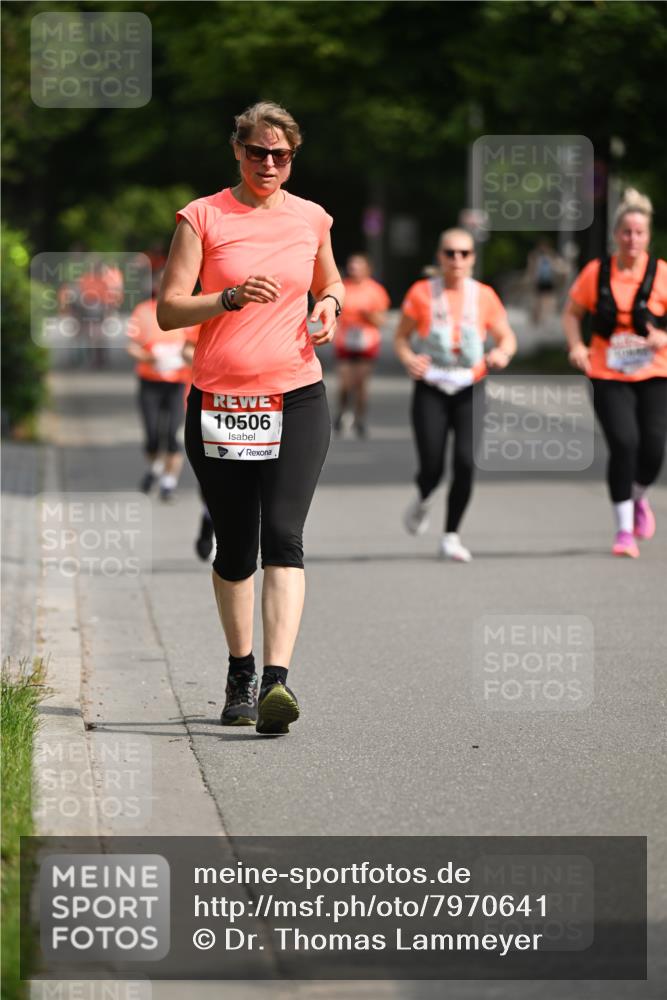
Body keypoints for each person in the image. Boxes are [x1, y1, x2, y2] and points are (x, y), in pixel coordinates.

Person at [157, 101, 343, 734]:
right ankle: (241, 669)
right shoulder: (202, 217)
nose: (269, 164)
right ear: (237, 150)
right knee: (236, 547)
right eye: (258, 151)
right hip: (221, 404)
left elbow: (331, 282)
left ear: (293, 158)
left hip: (297, 398)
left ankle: (276, 684)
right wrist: (229, 298)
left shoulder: (312, 218)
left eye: (281, 155)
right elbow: (169, 310)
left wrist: (330, 308)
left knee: (283, 535)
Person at [394, 228, 517, 561]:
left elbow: (507, 338)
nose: (457, 259)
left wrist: (502, 354)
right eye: (450, 253)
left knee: (465, 461)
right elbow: (401, 338)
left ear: (473, 258)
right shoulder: (422, 293)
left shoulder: (484, 296)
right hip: (431, 386)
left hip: (470, 386)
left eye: (464, 253)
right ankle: (423, 496)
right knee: (432, 465)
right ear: (440, 256)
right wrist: (409, 360)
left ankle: (451, 535)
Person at [562, 188, 667, 558]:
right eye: (626, 232)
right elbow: (573, 314)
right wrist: (576, 346)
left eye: (639, 232)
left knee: (653, 447)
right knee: (624, 443)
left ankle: (639, 497)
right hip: (607, 372)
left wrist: (661, 336)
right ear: (616, 235)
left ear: (648, 235)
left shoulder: (662, 274)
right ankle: (624, 531)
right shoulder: (596, 272)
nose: (632, 239)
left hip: (654, 371)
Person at [126, 271, 195, 500]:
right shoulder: (144, 311)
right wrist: (149, 358)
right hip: (150, 382)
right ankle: (155, 468)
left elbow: (195, 345)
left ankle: (168, 483)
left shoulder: (189, 310)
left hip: (178, 383)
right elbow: (132, 346)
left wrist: (187, 358)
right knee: (153, 435)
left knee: (173, 434)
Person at [333, 253, 390, 437]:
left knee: (360, 384)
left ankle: (360, 420)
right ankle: (342, 414)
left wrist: (368, 315)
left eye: (358, 266)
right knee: (345, 383)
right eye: (352, 266)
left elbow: (382, 320)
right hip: (345, 340)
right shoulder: (342, 287)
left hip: (367, 342)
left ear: (367, 269)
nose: (354, 269)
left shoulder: (375, 290)